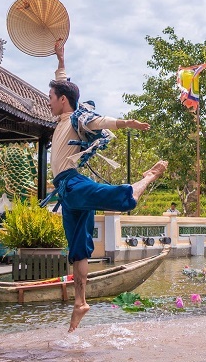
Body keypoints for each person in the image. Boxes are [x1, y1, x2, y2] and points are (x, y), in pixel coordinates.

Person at [50, 39, 167, 332]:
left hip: (73, 184)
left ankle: (149, 177)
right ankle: (80, 303)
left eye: (51, 96)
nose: (48, 100)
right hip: (66, 193)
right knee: (78, 250)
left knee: (121, 198)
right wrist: (61, 59)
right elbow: (64, 83)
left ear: (62, 100)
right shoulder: (63, 117)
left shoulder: (77, 117)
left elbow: (99, 121)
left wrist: (129, 123)